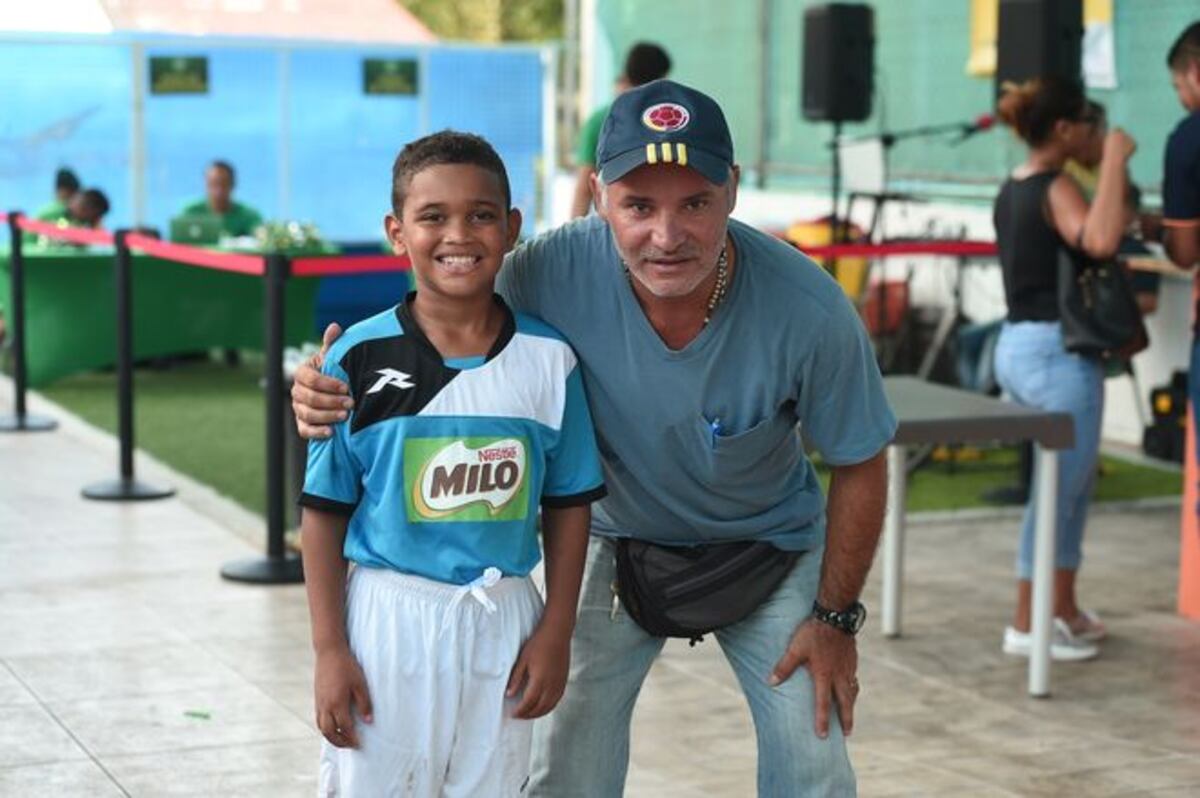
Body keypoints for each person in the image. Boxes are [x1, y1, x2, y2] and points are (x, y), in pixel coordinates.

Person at [294, 80, 896, 797]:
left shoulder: (809, 307)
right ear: (600, 194)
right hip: (615, 545)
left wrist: (834, 619)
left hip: (770, 548)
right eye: (639, 205)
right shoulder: (544, 270)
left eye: (695, 203)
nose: (667, 236)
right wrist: (332, 374)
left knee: (814, 753)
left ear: (732, 191)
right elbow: (444, 301)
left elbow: (862, 460)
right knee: (565, 759)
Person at [299, 130, 605, 796]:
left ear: (513, 227)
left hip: (505, 619)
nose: (458, 234)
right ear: (396, 231)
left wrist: (556, 628)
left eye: (482, 214)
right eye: (432, 216)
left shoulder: (550, 359)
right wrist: (329, 649)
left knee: (491, 784)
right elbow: (322, 516)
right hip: (388, 621)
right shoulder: (356, 356)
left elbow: (569, 503)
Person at [992, 77, 1136, 661]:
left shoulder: (1014, 186)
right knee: (1057, 493)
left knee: (1068, 489)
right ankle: (1029, 621)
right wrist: (1116, 161)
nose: (1097, 137)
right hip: (1056, 353)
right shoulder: (1055, 187)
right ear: (1064, 131)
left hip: (1021, 343)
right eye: (1090, 127)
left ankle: (1063, 608)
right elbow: (1100, 239)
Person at [569, 42, 671, 218]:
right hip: (665, 221)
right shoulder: (672, 121)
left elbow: (584, 190)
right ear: (662, 79)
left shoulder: (600, 121)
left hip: (617, 224)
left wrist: (572, 239)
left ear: (626, 76)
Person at [1160, 23, 1200, 463]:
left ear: (1195, 71)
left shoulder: (1189, 138)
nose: (1181, 98)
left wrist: (1165, 233)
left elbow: (1185, 252)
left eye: (1178, 86)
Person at [178, 160, 263, 237]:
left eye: (223, 184)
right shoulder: (190, 213)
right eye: (213, 184)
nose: (218, 191)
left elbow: (261, 237)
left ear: (233, 185)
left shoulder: (248, 216)